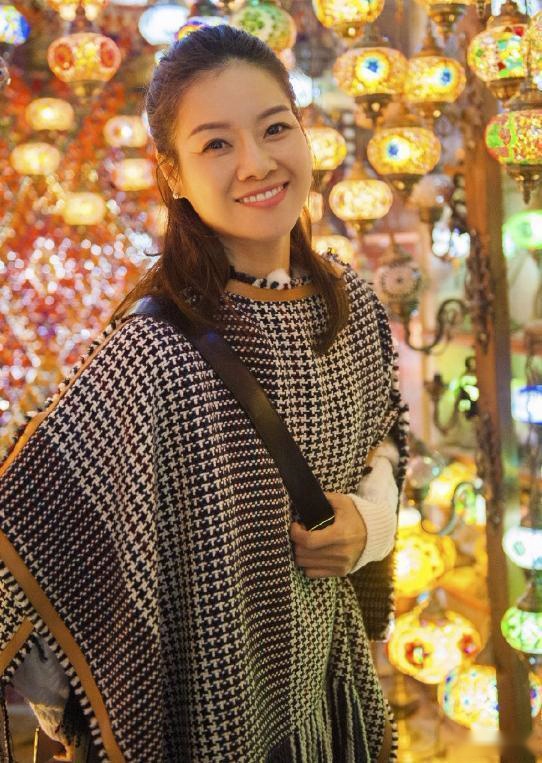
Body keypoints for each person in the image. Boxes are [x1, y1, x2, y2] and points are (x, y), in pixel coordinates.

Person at [0, 25, 408, 763]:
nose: (257, 163)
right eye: (216, 143)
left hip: (330, 699)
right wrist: (85, 702)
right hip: (208, 721)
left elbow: (386, 441)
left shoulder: (352, 304)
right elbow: (29, 534)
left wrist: (371, 525)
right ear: (175, 175)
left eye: (274, 128)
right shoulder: (151, 349)